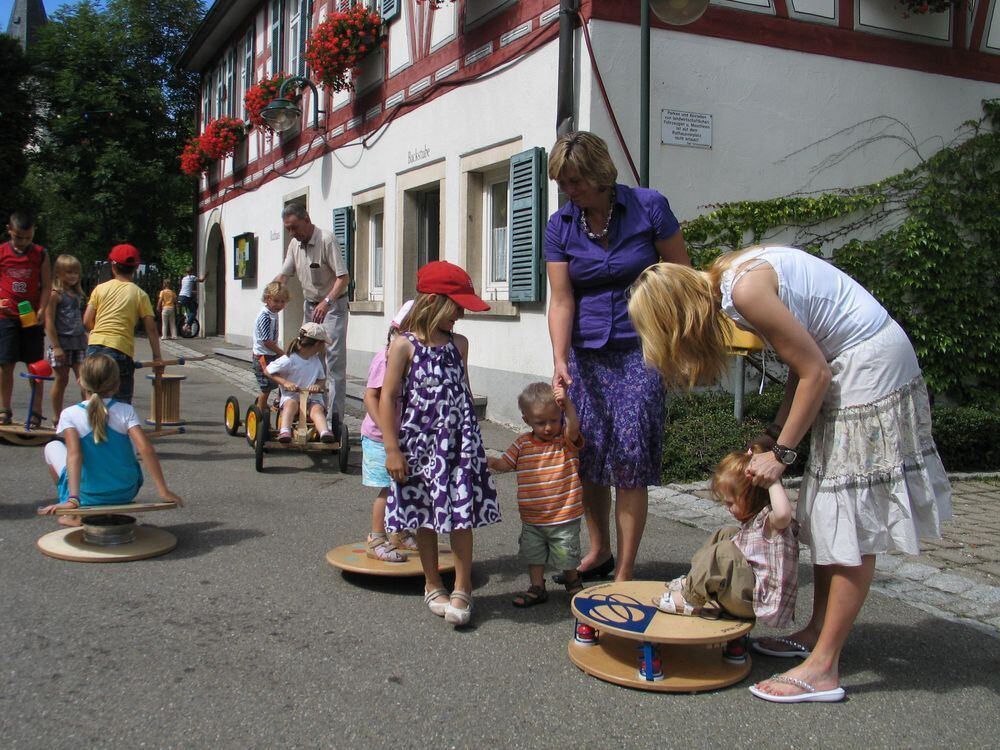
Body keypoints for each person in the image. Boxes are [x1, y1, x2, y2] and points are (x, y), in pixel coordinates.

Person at [627, 245, 952, 703]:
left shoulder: (743, 292)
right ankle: (816, 633)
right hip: (850, 362)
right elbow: (807, 362)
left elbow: (815, 370)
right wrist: (775, 434)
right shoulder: (730, 278)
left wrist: (781, 454)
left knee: (849, 519)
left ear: (675, 318)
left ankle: (823, 668)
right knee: (826, 509)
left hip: (867, 365)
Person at [545, 131, 690, 583]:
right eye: (564, 184)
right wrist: (560, 359)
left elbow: (682, 275)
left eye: (577, 182)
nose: (571, 192)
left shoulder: (649, 207)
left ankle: (625, 570)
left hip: (642, 349)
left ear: (600, 173)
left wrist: (680, 344)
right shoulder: (560, 225)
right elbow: (562, 297)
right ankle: (600, 551)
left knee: (629, 456)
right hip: (587, 354)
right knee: (587, 455)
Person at [381, 261, 500, 627]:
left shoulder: (458, 344)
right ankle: (432, 583)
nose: (461, 314)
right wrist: (391, 449)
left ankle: (462, 587)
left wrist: (474, 445)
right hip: (418, 446)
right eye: (457, 306)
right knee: (425, 517)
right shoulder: (404, 346)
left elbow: (461, 392)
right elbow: (387, 398)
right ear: (435, 302)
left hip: (458, 446)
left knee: (461, 516)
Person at [654, 445, 798, 633]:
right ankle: (693, 580)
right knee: (727, 533)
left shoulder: (771, 522)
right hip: (744, 592)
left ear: (753, 495)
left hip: (751, 602)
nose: (727, 508)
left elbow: (784, 515)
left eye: (731, 503)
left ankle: (690, 599)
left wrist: (772, 481)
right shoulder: (755, 521)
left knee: (725, 553)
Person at [38, 354, 182, 526]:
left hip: (86, 495)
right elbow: (146, 449)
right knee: (127, 440)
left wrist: (73, 499)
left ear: (80, 382)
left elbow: (75, 455)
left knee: (52, 446)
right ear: (116, 384)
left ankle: (73, 512)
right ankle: (82, 503)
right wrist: (163, 490)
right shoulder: (125, 411)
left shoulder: (70, 414)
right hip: (125, 491)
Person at [488, 382, 584, 607]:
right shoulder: (522, 444)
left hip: (564, 515)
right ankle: (537, 586)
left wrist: (567, 404)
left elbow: (574, 428)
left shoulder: (565, 441)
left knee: (566, 553)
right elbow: (506, 464)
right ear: (527, 421)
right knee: (534, 554)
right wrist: (492, 462)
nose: (549, 427)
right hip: (532, 517)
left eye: (554, 420)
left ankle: (572, 581)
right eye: (541, 423)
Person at [273, 204, 350, 428]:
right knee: (307, 355)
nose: (292, 233)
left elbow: (343, 278)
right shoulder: (295, 244)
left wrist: (327, 301)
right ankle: (313, 412)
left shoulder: (326, 240)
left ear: (307, 219)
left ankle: (334, 420)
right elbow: (284, 275)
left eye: (294, 227)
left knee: (333, 362)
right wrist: (271, 295)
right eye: (288, 229)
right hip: (310, 305)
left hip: (332, 305)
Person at [361, 300, 418, 563]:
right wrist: (386, 432)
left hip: (401, 436)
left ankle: (399, 531)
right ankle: (376, 537)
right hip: (378, 437)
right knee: (386, 488)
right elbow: (371, 397)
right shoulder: (385, 359)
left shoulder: (412, 360)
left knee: (402, 486)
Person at [84, 244, 164, 403]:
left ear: (113, 265)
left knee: (93, 394)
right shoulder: (140, 294)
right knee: (120, 400)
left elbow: (86, 321)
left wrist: (101, 334)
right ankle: (118, 426)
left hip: (94, 346)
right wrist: (157, 357)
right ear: (135, 268)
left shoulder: (100, 289)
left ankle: (92, 424)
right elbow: (151, 329)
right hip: (120, 349)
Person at [0, 211, 51, 426]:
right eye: (18, 238)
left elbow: (47, 285)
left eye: (28, 238)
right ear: (9, 230)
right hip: (6, 316)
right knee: (5, 363)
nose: (23, 243)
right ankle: (4, 409)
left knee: (36, 365)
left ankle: (36, 412)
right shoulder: (2, 252)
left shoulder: (41, 254)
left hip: (31, 318)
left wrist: (42, 309)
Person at [265, 322, 336, 444]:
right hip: (291, 397)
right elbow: (268, 371)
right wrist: (285, 382)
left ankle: (324, 432)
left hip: (311, 398)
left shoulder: (316, 361)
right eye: (323, 344)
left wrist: (317, 386)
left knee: (317, 409)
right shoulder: (289, 359)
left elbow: (322, 379)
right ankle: (285, 431)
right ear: (318, 344)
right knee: (290, 405)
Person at [44, 254, 88, 417]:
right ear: (59, 273)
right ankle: (57, 417)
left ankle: (86, 416)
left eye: (76, 273)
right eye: (69, 272)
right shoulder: (55, 294)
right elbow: (49, 322)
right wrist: (56, 346)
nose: (74, 276)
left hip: (79, 343)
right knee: (61, 381)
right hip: (61, 344)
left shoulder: (77, 294)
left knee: (85, 380)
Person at [252, 281, 289, 412]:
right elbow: (266, 341)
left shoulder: (273, 313)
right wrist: (281, 352)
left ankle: (277, 402)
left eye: (283, 302)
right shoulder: (265, 316)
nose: (279, 305)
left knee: (283, 377)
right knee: (266, 386)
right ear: (268, 299)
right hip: (262, 356)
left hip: (271, 355)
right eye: (276, 301)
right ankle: (260, 414)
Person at [177, 265, 208, 330]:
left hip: (180, 296)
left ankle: (188, 318)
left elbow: (186, 288)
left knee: (194, 305)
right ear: (191, 271)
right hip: (186, 297)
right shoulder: (192, 277)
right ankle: (186, 324)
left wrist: (193, 292)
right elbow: (201, 280)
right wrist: (206, 275)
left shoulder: (183, 279)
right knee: (194, 312)